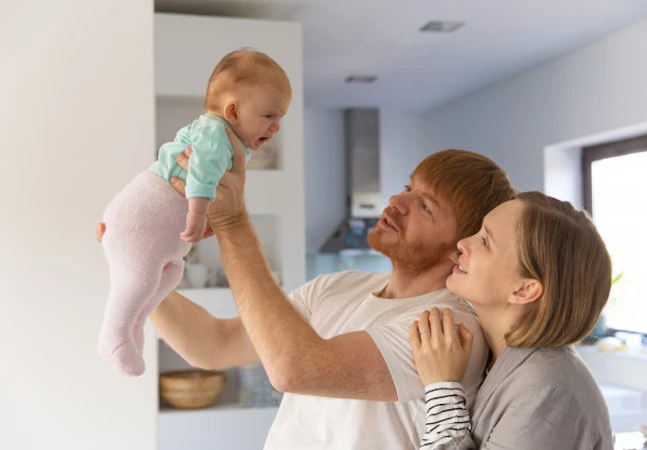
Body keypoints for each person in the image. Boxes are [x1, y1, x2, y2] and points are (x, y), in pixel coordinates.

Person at [97, 141, 515, 448]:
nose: (397, 200)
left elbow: (294, 369)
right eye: (408, 186)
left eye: (425, 206)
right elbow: (214, 345)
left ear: (460, 245)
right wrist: (138, 269)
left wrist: (234, 222)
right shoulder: (339, 286)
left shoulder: (448, 329)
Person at [98, 49, 291, 376]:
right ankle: (113, 334)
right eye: (269, 116)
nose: (276, 128)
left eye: (280, 119)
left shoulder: (229, 143)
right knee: (142, 274)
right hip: (141, 217)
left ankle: (134, 323)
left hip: (152, 226)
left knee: (169, 274)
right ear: (233, 110)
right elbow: (200, 174)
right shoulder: (216, 133)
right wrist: (198, 214)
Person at [410, 191, 614, 449]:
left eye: (485, 241)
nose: (462, 242)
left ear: (524, 290)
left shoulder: (547, 391)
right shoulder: (498, 360)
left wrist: (443, 390)